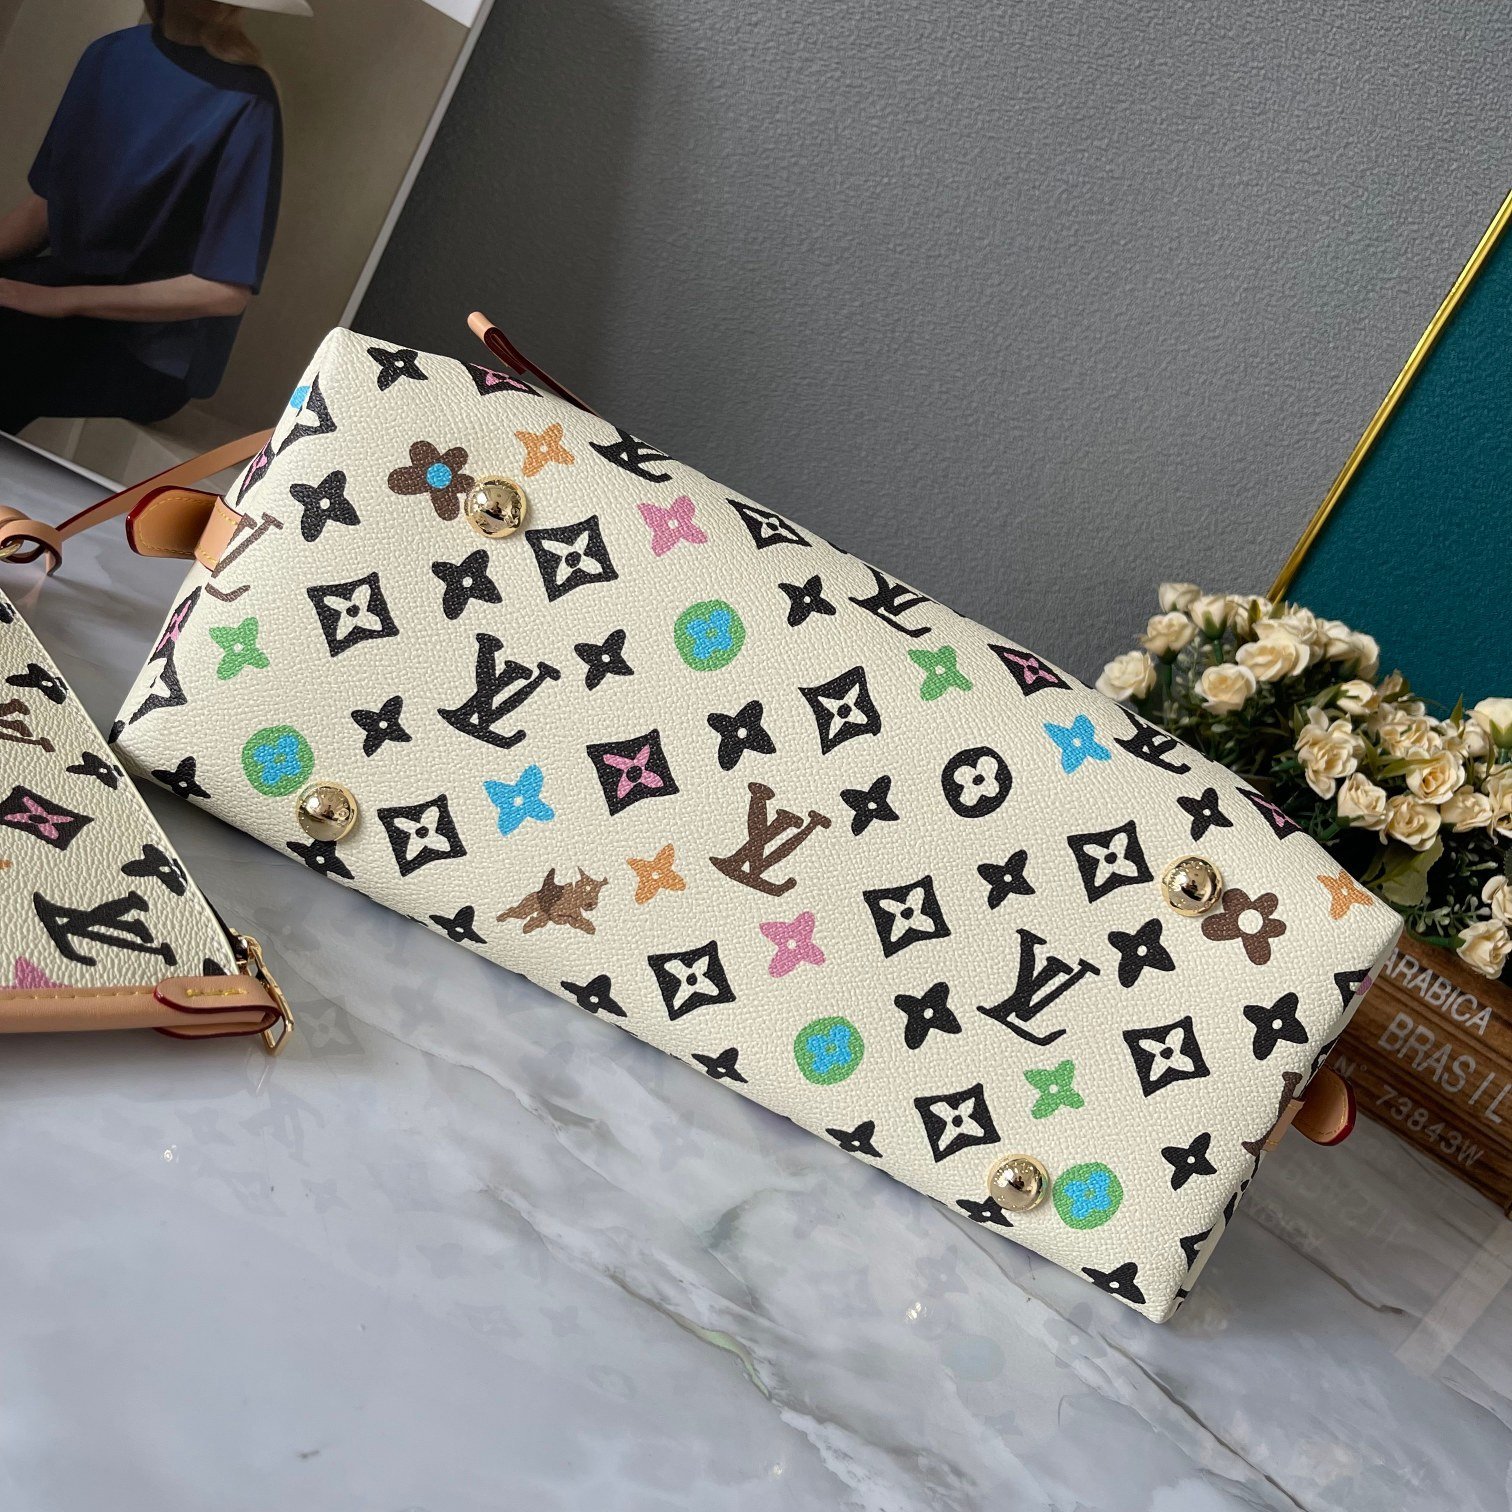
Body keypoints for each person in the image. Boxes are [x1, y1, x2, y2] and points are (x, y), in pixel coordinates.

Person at [0, 0, 311, 436]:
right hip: (60, 296)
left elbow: (222, 291)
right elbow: (49, 206)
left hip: (152, 352)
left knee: (12, 351)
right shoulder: (108, 55)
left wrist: (60, 301)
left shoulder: (247, 99)